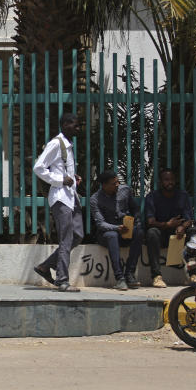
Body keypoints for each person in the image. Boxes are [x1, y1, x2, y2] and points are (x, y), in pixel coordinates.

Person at [31, 113, 85, 293]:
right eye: (75, 125)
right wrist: (60, 180)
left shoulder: (68, 146)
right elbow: (38, 167)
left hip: (71, 196)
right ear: (65, 125)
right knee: (66, 238)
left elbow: (62, 168)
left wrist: (73, 177)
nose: (78, 128)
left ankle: (46, 266)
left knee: (77, 235)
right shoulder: (56, 144)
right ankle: (62, 280)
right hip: (61, 198)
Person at [91, 169, 144, 290]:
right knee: (112, 235)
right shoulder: (95, 199)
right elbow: (101, 223)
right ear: (104, 185)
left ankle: (130, 274)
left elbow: (135, 208)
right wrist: (116, 228)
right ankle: (120, 278)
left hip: (126, 230)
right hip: (107, 234)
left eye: (117, 182)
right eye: (113, 183)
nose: (117, 185)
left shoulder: (125, 190)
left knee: (139, 232)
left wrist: (137, 223)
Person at [144, 168, 195, 288]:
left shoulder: (182, 196)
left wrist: (182, 226)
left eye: (172, 179)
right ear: (161, 182)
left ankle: (193, 275)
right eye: (166, 180)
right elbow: (150, 222)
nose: (170, 182)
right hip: (161, 235)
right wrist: (166, 225)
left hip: (178, 235)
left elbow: (189, 219)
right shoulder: (152, 197)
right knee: (152, 233)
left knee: (195, 232)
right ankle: (156, 276)